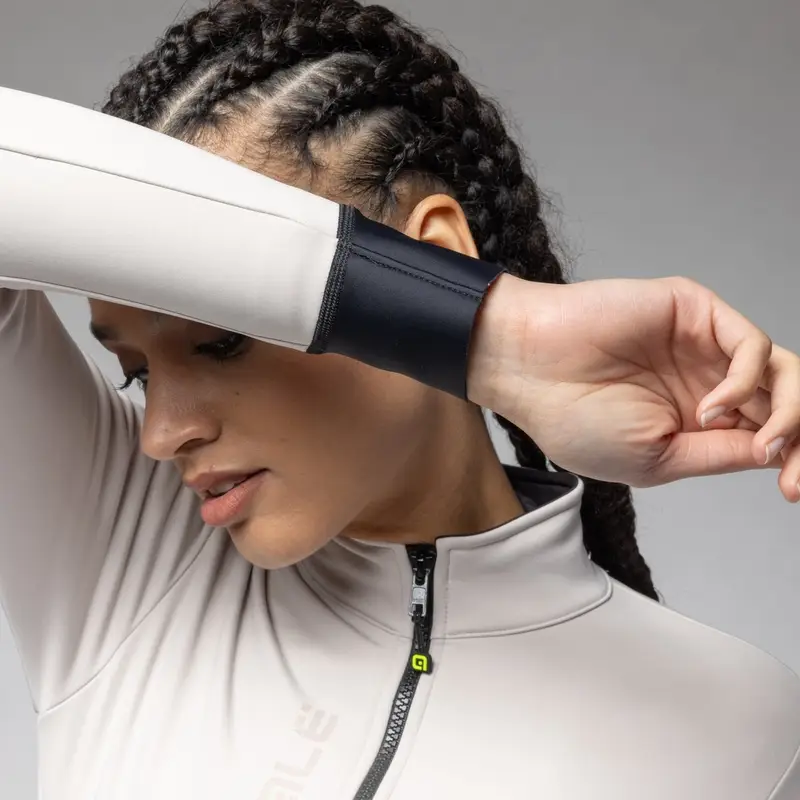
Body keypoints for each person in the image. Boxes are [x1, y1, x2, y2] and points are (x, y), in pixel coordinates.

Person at [0, 0, 798, 797]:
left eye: (223, 339)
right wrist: (493, 328)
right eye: (138, 372)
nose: (162, 433)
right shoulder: (118, 560)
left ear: (435, 254)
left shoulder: (730, 724)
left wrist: (449, 308)